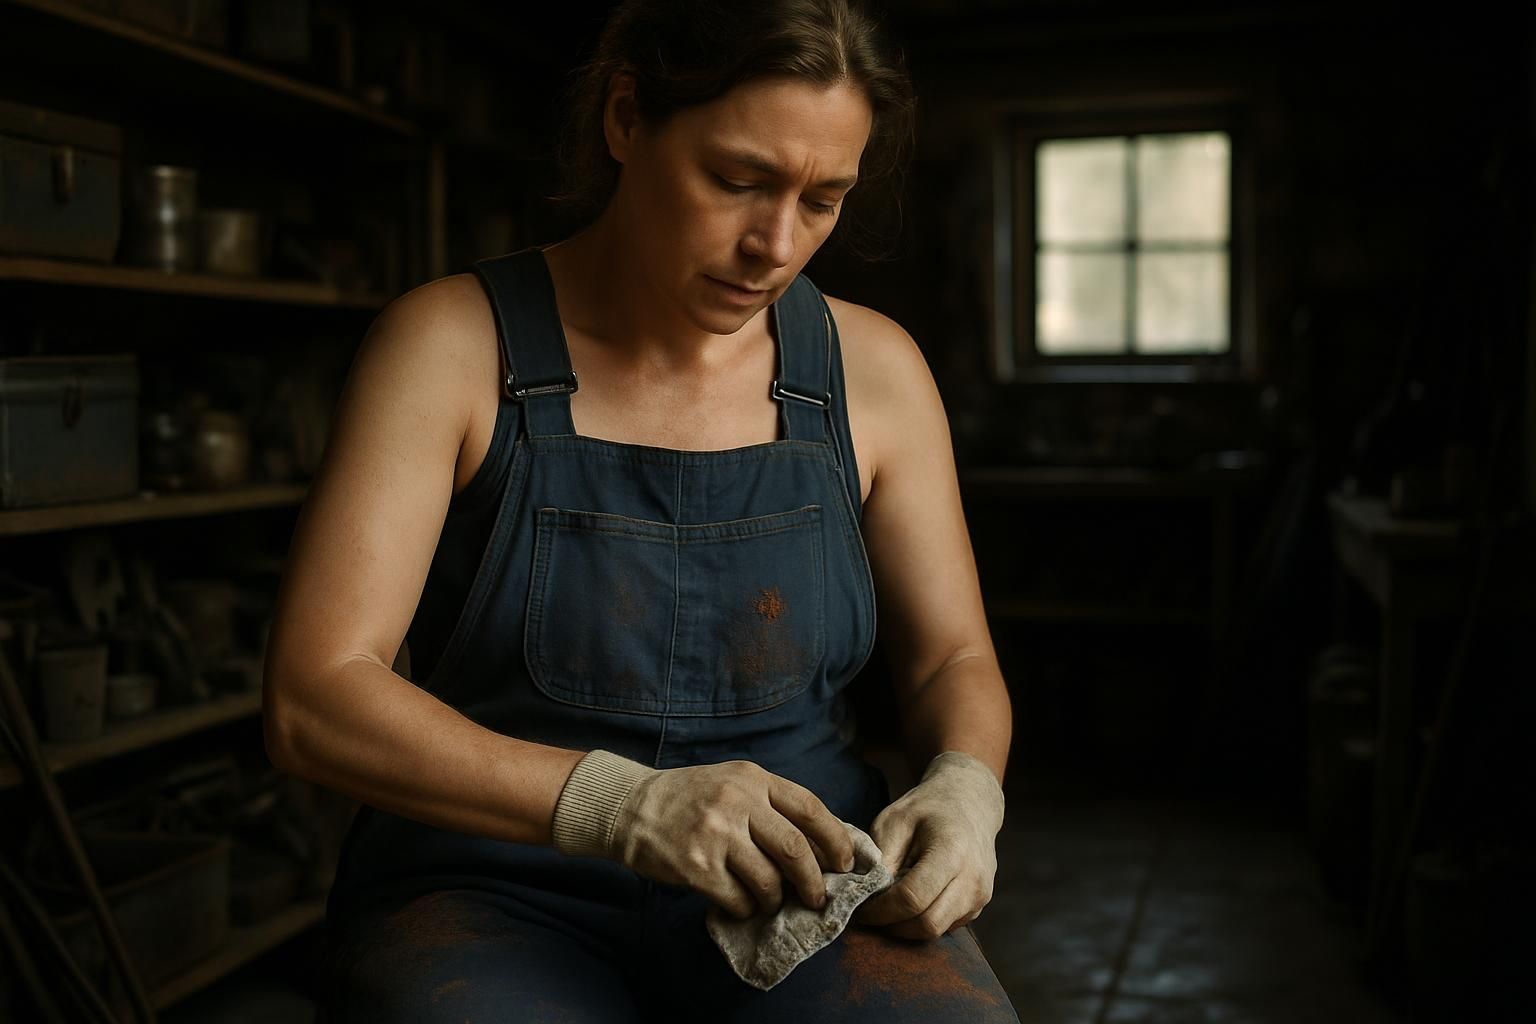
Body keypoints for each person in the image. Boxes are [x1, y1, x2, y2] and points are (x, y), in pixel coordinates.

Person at [263, 1, 1018, 1019]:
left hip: (799, 883)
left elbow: (949, 661)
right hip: (494, 885)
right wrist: (623, 805)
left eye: (823, 199)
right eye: (738, 180)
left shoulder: (871, 371)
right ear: (626, 119)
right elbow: (316, 698)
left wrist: (969, 783)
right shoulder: (449, 346)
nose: (775, 244)